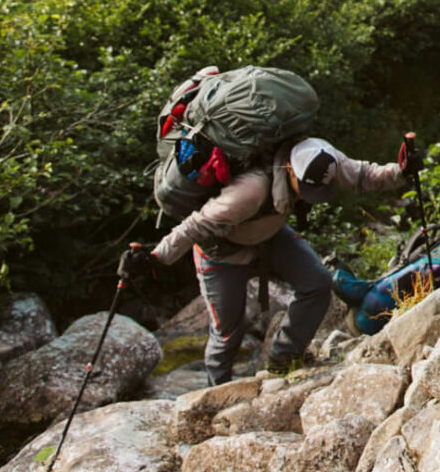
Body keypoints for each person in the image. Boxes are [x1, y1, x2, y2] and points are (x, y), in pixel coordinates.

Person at [122, 135, 422, 383]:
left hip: (269, 235)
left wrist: (401, 171)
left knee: (317, 283)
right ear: (289, 169)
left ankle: (282, 359)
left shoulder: (321, 157)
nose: (308, 196)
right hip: (222, 252)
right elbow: (196, 225)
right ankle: (217, 390)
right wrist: (155, 259)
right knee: (228, 332)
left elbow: (362, 175)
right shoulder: (250, 191)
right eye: (305, 189)